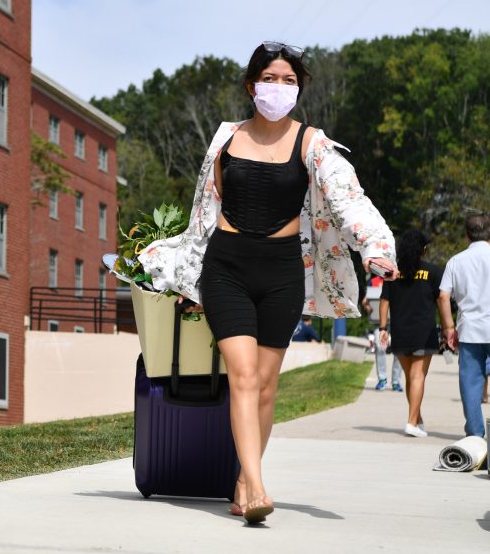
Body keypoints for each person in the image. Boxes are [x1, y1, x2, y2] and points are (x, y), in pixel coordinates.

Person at [139, 42, 397, 524]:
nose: (278, 88)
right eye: (270, 79)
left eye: (288, 81)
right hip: (227, 266)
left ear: (299, 89)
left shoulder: (311, 143)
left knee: (265, 386)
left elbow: (349, 198)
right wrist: (189, 277)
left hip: (281, 272)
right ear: (250, 85)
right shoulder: (226, 139)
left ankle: (242, 479)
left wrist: (376, 247)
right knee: (242, 374)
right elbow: (206, 208)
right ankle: (256, 485)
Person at [378, 230, 443, 437]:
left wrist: (382, 328)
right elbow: (442, 300)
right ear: (423, 249)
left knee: (410, 377)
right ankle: (411, 423)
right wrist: (448, 325)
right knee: (418, 377)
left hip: (400, 331)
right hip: (424, 332)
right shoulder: (433, 272)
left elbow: (384, 301)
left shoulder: (393, 273)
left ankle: (417, 418)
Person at [438, 213, 490, 438]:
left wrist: (449, 327)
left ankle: (476, 436)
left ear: (467, 234)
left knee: (470, 385)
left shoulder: (456, 261)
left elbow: (443, 296)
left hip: (470, 330)